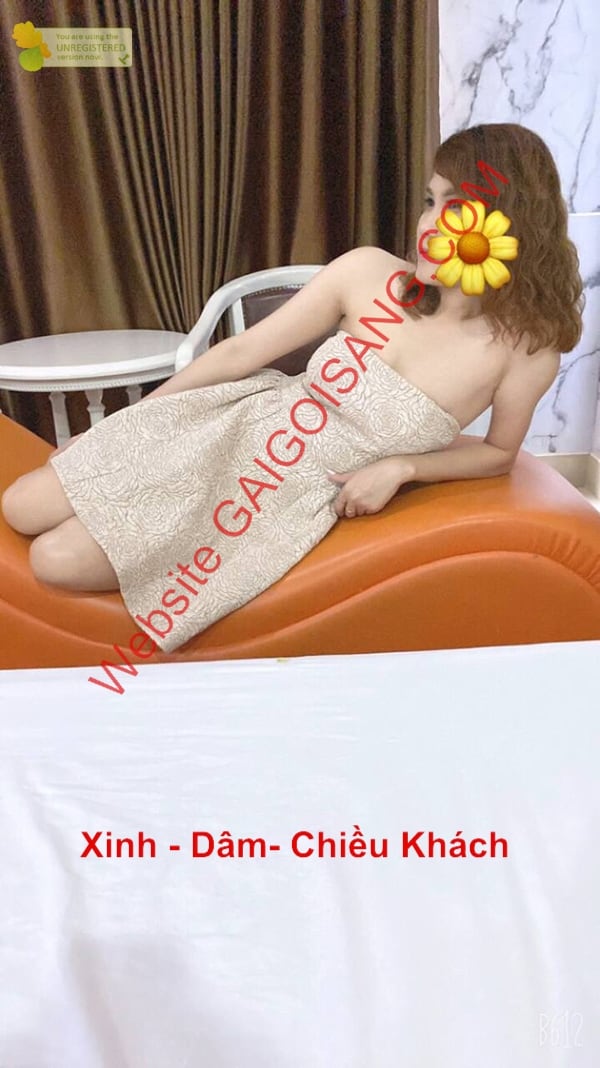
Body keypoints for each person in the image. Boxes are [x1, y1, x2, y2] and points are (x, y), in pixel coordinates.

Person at [1, 122, 583, 653]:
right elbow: (241, 352)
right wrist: (127, 422)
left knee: (54, 560)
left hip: (282, 495)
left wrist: (404, 467)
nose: (430, 224)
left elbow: (498, 452)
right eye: (430, 201)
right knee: (20, 506)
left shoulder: (524, 351)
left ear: (507, 224)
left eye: (456, 208)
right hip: (233, 426)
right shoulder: (367, 271)